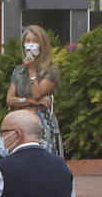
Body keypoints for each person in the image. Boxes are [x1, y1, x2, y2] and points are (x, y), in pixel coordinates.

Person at [7, 24, 64, 158]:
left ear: (42, 44)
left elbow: (38, 92)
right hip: (20, 122)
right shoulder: (19, 71)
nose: (31, 44)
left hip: (42, 124)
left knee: (45, 158)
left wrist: (32, 70)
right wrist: (31, 102)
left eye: (35, 41)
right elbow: (10, 99)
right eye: (28, 41)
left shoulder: (51, 70)